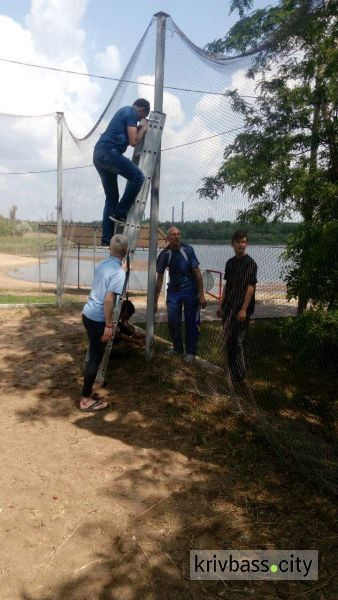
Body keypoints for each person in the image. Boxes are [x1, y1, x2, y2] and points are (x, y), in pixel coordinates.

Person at [80, 233, 129, 411]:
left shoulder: (103, 264)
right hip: (98, 319)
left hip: (87, 313)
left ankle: (88, 390)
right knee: (95, 358)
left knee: (94, 354)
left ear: (110, 249)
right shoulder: (118, 272)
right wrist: (109, 325)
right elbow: (109, 300)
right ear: (126, 252)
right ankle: (85, 401)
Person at [93, 98, 151, 245]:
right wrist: (144, 128)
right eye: (140, 119)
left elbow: (130, 134)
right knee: (138, 176)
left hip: (99, 154)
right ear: (142, 110)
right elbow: (133, 141)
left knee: (112, 197)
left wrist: (138, 129)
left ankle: (107, 240)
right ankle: (120, 213)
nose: (139, 121)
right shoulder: (131, 112)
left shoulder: (124, 112)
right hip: (108, 152)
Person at [155, 226, 207, 362]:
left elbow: (197, 273)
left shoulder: (188, 250)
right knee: (173, 321)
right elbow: (159, 278)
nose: (176, 237)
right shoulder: (164, 255)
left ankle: (191, 352)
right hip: (174, 292)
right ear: (168, 238)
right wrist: (154, 301)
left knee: (191, 322)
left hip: (190, 291)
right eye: (173, 235)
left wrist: (201, 295)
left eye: (178, 234)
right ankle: (177, 348)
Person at [217, 230, 257, 383]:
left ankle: (240, 376)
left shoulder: (250, 264)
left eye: (244, 242)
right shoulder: (230, 263)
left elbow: (250, 288)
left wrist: (244, 309)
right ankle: (232, 371)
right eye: (238, 242)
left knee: (240, 341)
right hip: (229, 307)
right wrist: (221, 305)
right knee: (230, 340)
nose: (241, 245)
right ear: (232, 243)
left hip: (241, 309)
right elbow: (227, 285)